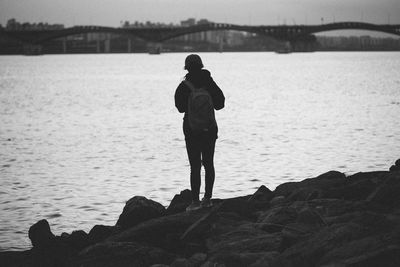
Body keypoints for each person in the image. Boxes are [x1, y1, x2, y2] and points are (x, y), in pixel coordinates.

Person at [174, 54, 225, 211]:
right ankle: (207, 199)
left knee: (195, 165)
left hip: (191, 129)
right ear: (201, 66)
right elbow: (220, 104)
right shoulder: (209, 83)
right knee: (208, 163)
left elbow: (180, 108)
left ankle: (195, 202)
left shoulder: (184, 86)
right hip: (210, 128)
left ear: (187, 68)